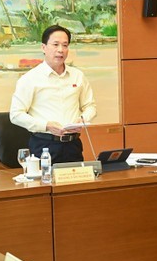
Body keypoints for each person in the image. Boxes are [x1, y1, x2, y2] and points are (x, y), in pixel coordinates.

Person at [10, 25, 97, 163]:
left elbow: (90, 106)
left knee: (76, 183)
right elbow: (15, 115)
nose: (60, 50)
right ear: (43, 47)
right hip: (44, 146)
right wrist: (46, 125)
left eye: (65, 45)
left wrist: (83, 119)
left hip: (73, 145)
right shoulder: (30, 78)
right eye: (55, 45)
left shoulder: (77, 76)